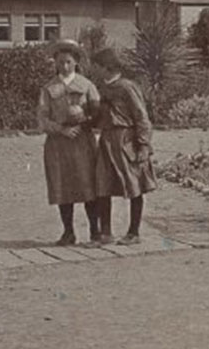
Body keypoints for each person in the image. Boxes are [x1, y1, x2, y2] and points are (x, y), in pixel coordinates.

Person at [37, 39, 102, 246]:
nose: (64, 66)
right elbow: (42, 119)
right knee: (62, 187)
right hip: (58, 145)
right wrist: (61, 129)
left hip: (83, 143)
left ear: (75, 62)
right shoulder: (48, 89)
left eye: (68, 62)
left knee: (87, 185)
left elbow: (98, 114)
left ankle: (95, 231)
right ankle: (68, 232)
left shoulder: (87, 85)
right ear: (55, 63)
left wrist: (84, 122)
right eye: (60, 62)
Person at [90, 47, 158, 246]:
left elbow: (142, 117)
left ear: (107, 67)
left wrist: (143, 145)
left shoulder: (127, 87)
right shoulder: (101, 88)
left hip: (126, 140)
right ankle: (106, 233)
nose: (95, 70)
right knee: (102, 185)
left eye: (97, 66)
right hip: (106, 140)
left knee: (134, 183)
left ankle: (133, 232)